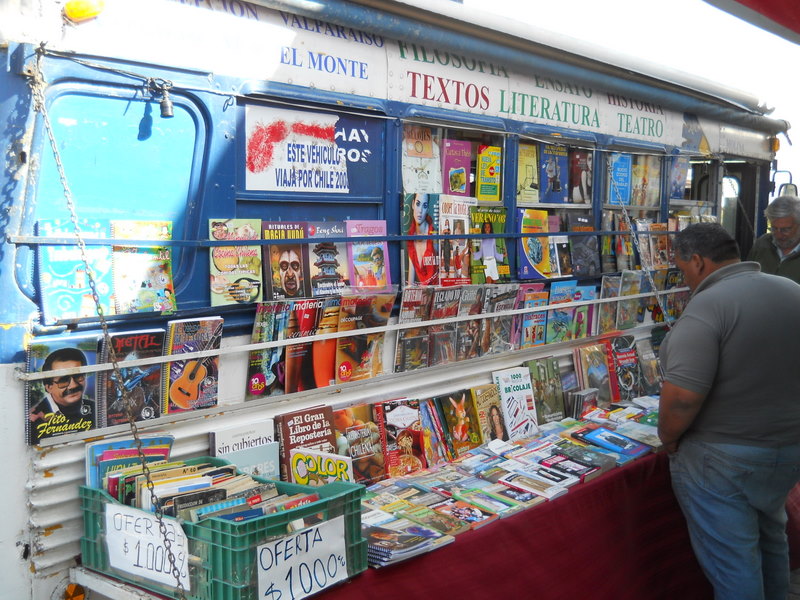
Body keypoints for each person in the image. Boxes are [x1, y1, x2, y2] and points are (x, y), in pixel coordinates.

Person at [658, 222, 800, 600]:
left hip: (723, 458)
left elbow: (683, 397)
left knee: (733, 561)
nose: (685, 277)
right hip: (787, 449)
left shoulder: (708, 306)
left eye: (683, 267)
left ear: (699, 262)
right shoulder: (791, 291)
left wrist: (669, 438)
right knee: (771, 538)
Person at [29, 347, 96, 442]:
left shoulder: (95, 408)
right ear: (48, 387)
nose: (73, 385)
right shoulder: (33, 421)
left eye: (78, 376)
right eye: (63, 380)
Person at [747, 195, 800, 283]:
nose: (779, 235)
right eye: (774, 228)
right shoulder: (762, 243)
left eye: (785, 229)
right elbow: (746, 278)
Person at [406, 193, 438, 285]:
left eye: (424, 206)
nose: (420, 210)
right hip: (422, 294)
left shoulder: (434, 236)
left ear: (427, 209)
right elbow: (410, 283)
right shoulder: (411, 238)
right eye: (418, 204)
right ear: (413, 205)